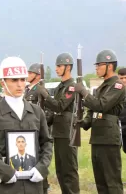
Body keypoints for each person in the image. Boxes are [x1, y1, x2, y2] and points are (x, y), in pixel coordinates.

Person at [0, 56, 53, 194]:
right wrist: (4, 170)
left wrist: (42, 167)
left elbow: (46, 142)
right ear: (3, 82)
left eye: (23, 79)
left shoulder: (36, 112)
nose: (19, 84)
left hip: (33, 184)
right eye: (14, 80)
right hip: (5, 185)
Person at [75, 50, 124, 194]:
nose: (96, 68)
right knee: (101, 182)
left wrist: (84, 92)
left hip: (109, 139)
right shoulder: (102, 87)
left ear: (109, 66)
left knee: (112, 182)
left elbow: (102, 105)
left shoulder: (117, 86)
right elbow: (93, 110)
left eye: (99, 65)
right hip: (97, 138)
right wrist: (84, 122)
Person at [36, 53, 80, 194]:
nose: (56, 69)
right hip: (59, 132)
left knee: (69, 170)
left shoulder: (72, 87)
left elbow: (60, 106)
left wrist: (45, 95)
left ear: (68, 67)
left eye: (59, 66)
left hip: (68, 132)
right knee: (61, 171)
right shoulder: (60, 86)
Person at [25, 62, 53, 194]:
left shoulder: (41, 90)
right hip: (27, 132)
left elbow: (49, 111)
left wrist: (39, 125)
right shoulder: (28, 90)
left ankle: (44, 188)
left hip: (37, 131)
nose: (27, 75)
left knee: (40, 160)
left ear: (37, 75)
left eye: (30, 73)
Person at [117, 68, 126, 153]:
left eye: (125, 78)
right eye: (121, 78)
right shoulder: (115, 92)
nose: (123, 80)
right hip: (118, 126)